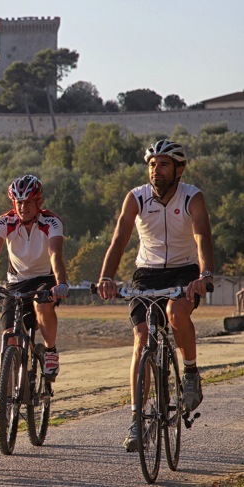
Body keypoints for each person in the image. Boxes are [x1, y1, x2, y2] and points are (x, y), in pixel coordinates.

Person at [96, 139, 214, 452]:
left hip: (185, 271)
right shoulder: (136, 197)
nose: (155, 170)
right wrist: (106, 277)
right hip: (146, 273)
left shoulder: (192, 196)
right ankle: (137, 417)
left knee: (176, 314)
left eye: (163, 164)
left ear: (179, 168)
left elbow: (202, 235)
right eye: (151, 164)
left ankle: (190, 372)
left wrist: (204, 275)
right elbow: (119, 239)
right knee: (141, 337)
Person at [0, 175, 69, 382]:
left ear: (39, 202)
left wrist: (61, 283)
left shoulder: (51, 222)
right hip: (15, 281)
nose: (23, 207)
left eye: (28, 202)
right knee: (9, 336)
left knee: (42, 305)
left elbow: (55, 253)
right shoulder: (5, 221)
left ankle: (50, 351)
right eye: (19, 203)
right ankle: (7, 400)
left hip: (44, 278)